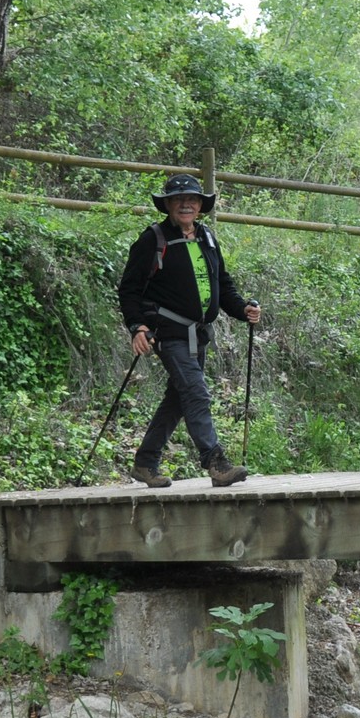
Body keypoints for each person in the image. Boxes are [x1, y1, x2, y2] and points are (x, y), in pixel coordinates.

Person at [117, 173, 261, 487]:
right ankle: (216, 463)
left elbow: (223, 284)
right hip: (168, 332)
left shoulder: (207, 237)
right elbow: (129, 289)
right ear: (168, 205)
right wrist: (137, 326)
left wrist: (242, 310)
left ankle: (145, 462)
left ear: (200, 205)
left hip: (199, 335)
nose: (186, 204)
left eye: (192, 199)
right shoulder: (153, 239)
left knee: (178, 399)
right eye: (178, 200)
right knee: (196, 392)